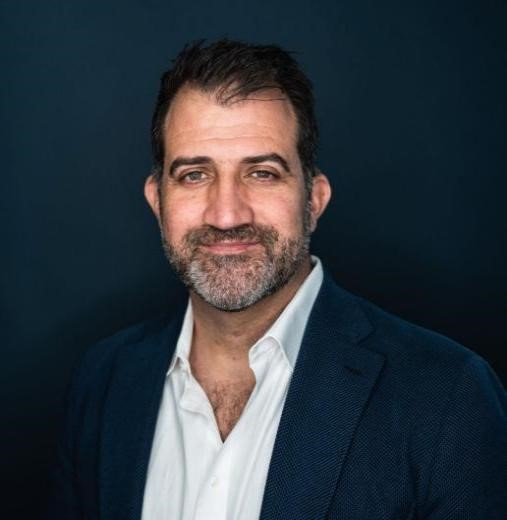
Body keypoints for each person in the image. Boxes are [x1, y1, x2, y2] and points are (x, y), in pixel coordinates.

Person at [48, 39, 506, 520]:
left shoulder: (448, 395)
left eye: (262, 173)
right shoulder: (104, 380)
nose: (227, 215)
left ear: (314, 199)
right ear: (157, 201)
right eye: (194, 175)